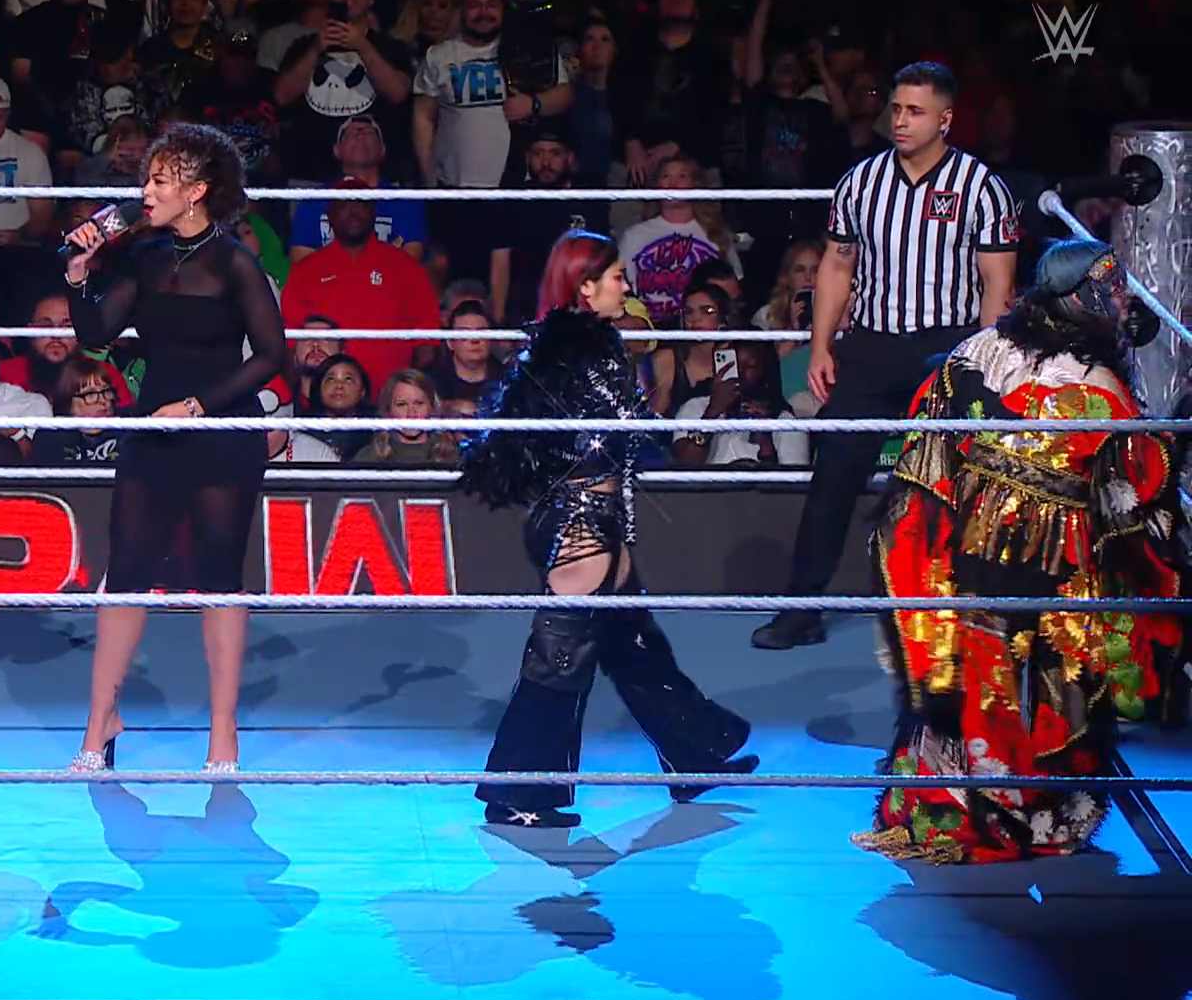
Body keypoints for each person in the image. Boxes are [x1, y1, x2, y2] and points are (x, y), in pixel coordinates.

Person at [853, 239, 1184, 864]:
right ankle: (1011, 809)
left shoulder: (981, 353)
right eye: (1110, 289)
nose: (1121, 300)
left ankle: (995, 805)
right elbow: (1129, 483)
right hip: (1027, 553)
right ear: (1079, 298)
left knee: (1004, 674)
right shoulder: (1077, 378)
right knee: (1012, 676)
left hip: (990, 544)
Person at [459, 230, 758, 828]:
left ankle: (694, 751)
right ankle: (517, 792)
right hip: (579, 523)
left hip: (594, 515)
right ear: (585, 286)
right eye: (618, 276)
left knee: (633, 642)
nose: (628, 286)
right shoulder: (580, 354)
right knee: (558, 661)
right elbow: (624, 428)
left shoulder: (569, 351)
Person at [752, 62, 1021, 651]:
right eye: (896, 108)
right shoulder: (861, 181)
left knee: (964, 478)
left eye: (915, 111)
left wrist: (985, 364)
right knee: (833, 474)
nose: (900, 120)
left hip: (948, 347)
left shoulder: (980, 186)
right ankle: (802, 607)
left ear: (945, 119)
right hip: (872, 346)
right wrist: (820, 346)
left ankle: (972, 607)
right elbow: (837, 266)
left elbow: (997, 284)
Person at [62, 122, 287, 772]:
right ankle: (99, 723)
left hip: (220, 433)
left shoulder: (235, 263)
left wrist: (198, 406)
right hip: (152, 433)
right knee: (127, 571)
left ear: (198, 190)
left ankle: (223, 735)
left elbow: (270, 355)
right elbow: (97, 333)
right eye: (147, 179)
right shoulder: (147, 257)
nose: (146, 191)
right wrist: (79, 275)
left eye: (160, 180)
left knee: (219, 576)